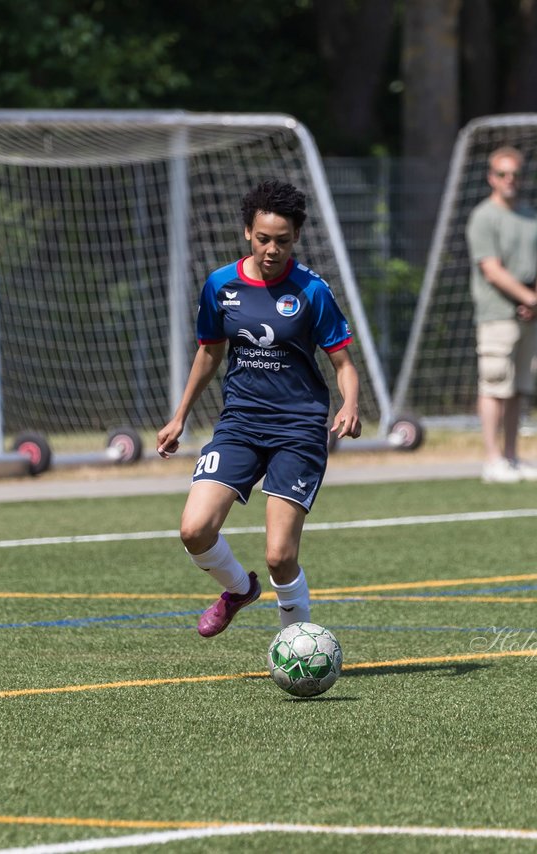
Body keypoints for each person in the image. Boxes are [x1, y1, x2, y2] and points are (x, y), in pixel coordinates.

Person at [156, 179, 361, 638]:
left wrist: (350, 403)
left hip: (299, 428)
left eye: (283, 241)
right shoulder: (220, 285)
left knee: (279, 555)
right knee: (194, 529)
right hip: (241, 424)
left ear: (296, 239)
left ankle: (297, 644)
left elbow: (343, 363)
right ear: (247, 231)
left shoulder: (312, 290)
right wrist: (180, 415)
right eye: (264, 238)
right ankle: (238, 589)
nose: (272, 250)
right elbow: (209, 352)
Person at [465, 146, 537, 484]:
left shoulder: (532, 216)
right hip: (497, 313)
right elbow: (492, 270)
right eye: (502, 174)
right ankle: (492, 459)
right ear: (491, 178)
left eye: (515, 173)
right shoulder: (483, 217)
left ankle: (513, 456)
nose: (509, 180)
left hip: (530, 315)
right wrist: (529, 297)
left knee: (519, 387)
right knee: (495, 384)